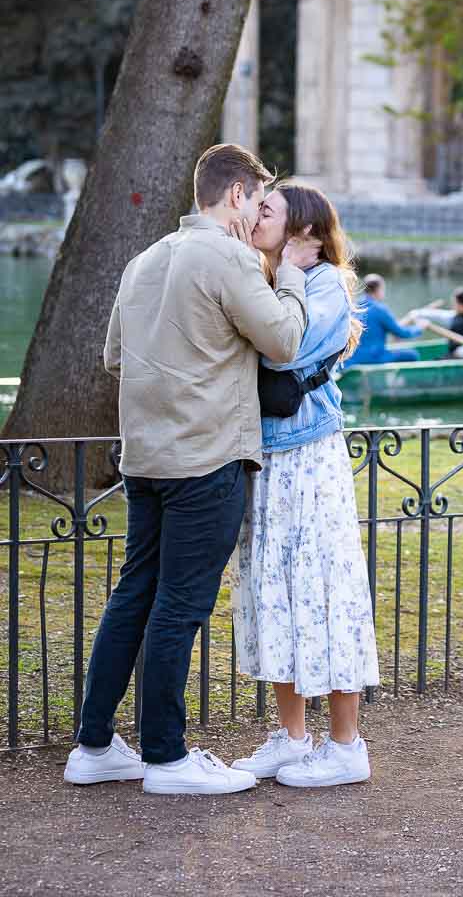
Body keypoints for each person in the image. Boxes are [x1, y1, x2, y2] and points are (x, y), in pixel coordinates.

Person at [64, 144, 319, 796]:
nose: (260, 212)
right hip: (207, 458)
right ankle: (168, 757)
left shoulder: (145, 261)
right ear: (235, 196)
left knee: (135, 595)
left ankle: (94, 747)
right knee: (180, 606)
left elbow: (116, 357)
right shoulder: (229, 255)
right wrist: (285, 270)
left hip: (146, 459)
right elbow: (284, 339)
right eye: (259, 201)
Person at [230, 182, 380, 788]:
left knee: (323, 587)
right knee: (273, 590)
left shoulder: (324, 288)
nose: (254, 215)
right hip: (269, 456)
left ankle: (346, 745)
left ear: (308, 234)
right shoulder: (266, 277)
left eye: (267, 210)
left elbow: (279, 351)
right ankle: (290, 738)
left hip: (310, 458)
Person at [344, 272, 422, 367]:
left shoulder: (353, 307)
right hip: (374, 358)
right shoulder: (380, 309)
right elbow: (402, 333)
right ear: (378, 290)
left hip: (351, 360)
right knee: (412, 355)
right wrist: (419, 328)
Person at [412, 288, 463, 358]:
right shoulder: (454, 316)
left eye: (455, 304)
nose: (453, 306)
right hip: (455, 356)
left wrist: (461, 352)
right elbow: (439, 315)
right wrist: (418, 314)